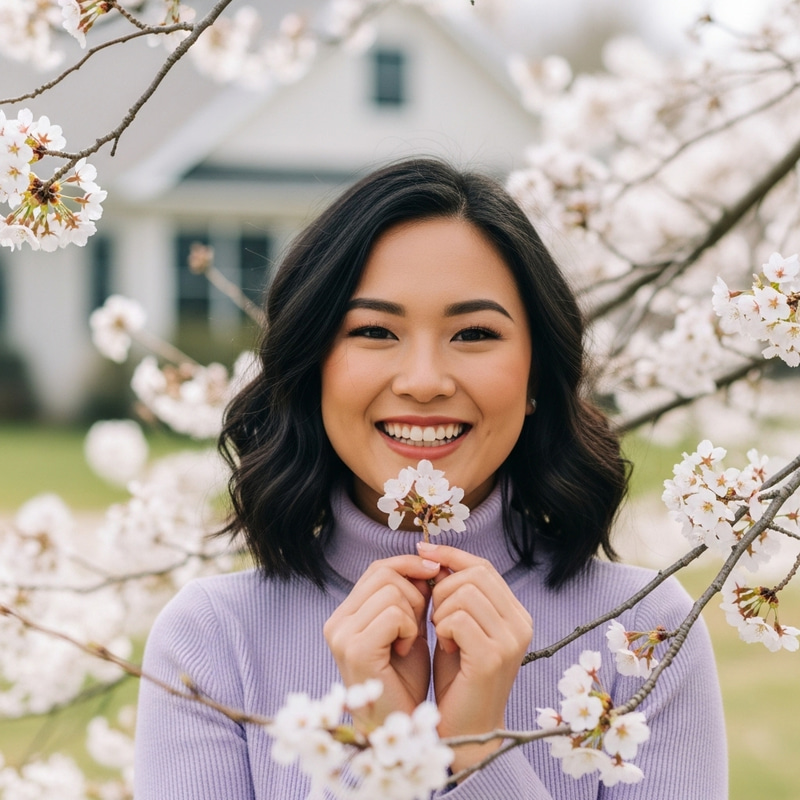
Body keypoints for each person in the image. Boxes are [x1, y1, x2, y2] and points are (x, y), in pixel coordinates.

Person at [134, 158, 727, 799]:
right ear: (313, 370)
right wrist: (380, 747)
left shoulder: (647, 632)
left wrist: (477, 751)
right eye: (374, 331)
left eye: (473, 333)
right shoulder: (213, 640)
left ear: (536, 375)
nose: (423, 380)